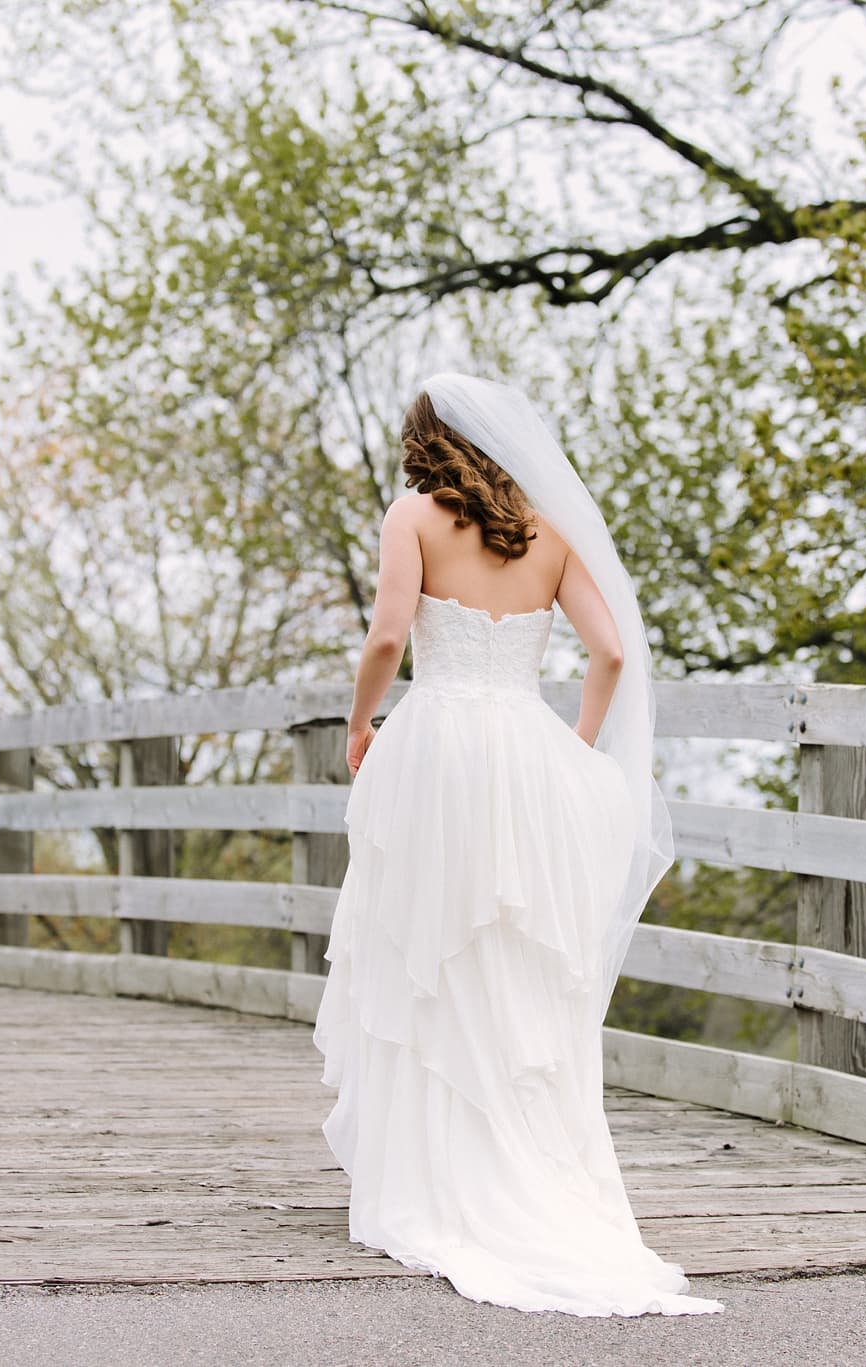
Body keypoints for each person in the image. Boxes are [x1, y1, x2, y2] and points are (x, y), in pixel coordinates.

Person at [311, 375, 721, 1317]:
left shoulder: (411, 516)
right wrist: (574, 746)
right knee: (515, 961)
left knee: (429, 949)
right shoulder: (550, 528)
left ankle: (434, 1171)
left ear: (425, 442)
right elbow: (612, 652)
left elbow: (385, 633)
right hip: (525, 749)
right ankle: (526, 1162)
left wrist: (360, 720)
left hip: (440, 743)